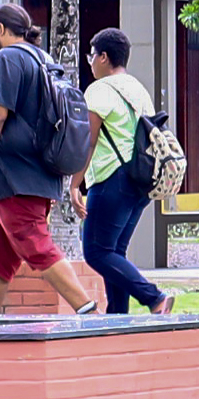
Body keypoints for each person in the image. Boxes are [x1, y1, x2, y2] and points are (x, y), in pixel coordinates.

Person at [0, 3, 102, 316]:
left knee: (36, 245)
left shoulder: (7, 58)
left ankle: (88, 310)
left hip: (18, 177)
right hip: (36, 173)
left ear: (1, 29)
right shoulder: (44, 59)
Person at [75, 26, 174, 317]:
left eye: (91, 55)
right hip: (140, 181)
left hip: (110, 180)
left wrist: (73, 185)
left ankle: (153, 297)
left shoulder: (99, 89)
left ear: (104, 57)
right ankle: (118, 317)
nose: (90, 61)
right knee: (114, 252)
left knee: (95, 251)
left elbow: (89, 140)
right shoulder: (138, 88)